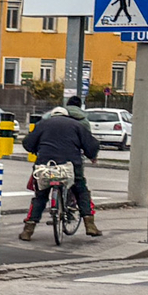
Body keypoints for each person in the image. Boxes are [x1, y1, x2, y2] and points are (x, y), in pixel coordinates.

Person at [20, 94, 102, 240]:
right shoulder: (76, 125)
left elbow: (27, 143)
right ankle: (90, 225)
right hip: (70, 165)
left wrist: (36, 150)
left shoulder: (43, 124)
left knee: (40, 196)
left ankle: (28, 229)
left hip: (45, 164)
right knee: (81, 190)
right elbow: (92, 144)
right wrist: (92, 155)